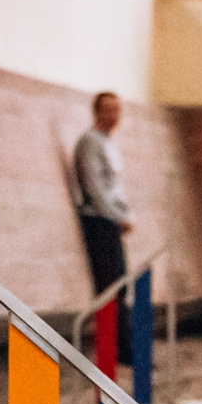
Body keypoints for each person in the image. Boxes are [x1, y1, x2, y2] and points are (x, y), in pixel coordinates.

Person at [71, 91, 134, 360]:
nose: (113, 115)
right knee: (110, 286)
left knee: (120, 284)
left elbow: (114, 187)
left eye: (117, 109)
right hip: (99, 220)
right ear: (96, 112)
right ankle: (115, 348)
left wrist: (126, 214)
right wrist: (116, 216)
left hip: (111, 219)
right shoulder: (90, 142)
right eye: (108, 109)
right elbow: (95, 187)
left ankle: (122, 346)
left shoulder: (109, 143)